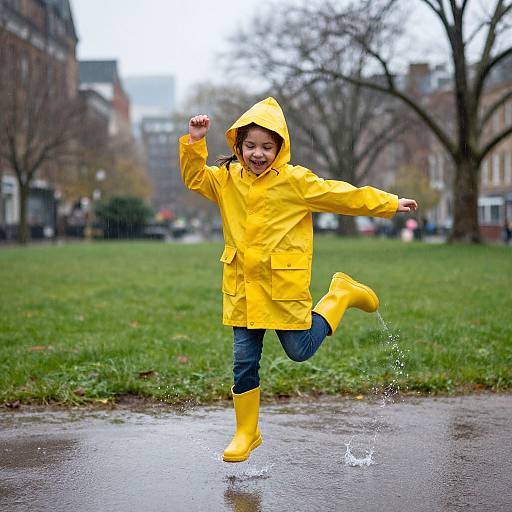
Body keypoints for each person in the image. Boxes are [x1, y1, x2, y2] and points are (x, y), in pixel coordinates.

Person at [179, 97, 417, 463]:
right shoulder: (226, 179)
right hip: (243, 288)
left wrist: (387, 203)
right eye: (251, 146)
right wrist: (195, 142)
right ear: (238, 145)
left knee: (300, 350)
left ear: (280, 148)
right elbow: (195, 178)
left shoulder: (295, 181)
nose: (258, 154)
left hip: (281, 287)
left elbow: (341, 195)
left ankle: (340, 295)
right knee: (244, 362)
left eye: (267, 147)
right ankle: (246, 431)